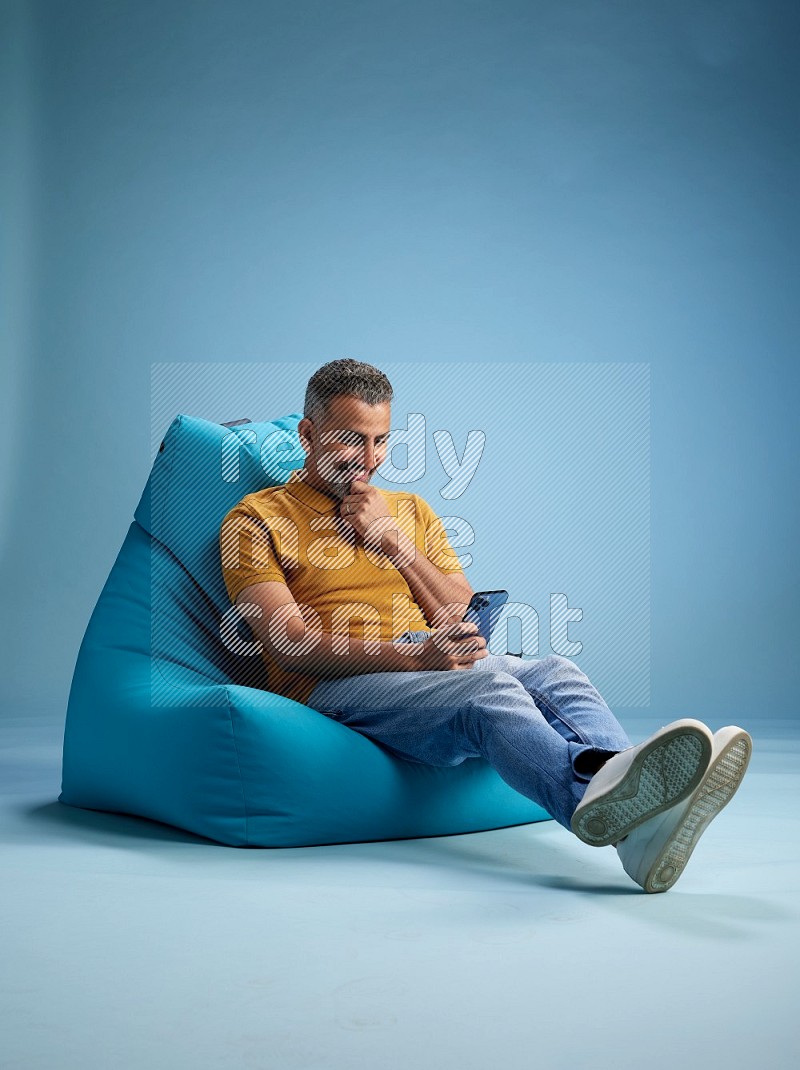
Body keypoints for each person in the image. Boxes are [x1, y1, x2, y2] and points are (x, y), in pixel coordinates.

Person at [219, 358, 752, 893]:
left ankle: (638, 806)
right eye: (351, 441)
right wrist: (414, 657)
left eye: (380, 441)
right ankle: (620, 813)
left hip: (427, 660)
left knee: (556, 671)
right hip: (333, 685)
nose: (369, 460)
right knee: (489, 691)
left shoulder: (409, 511)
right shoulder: (256, 518)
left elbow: (456, 614)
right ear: (308, 434)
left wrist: (395, 543)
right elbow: (287, 643)